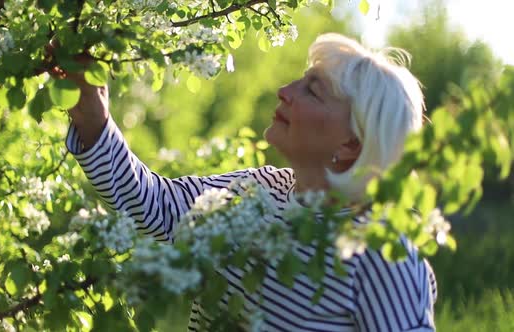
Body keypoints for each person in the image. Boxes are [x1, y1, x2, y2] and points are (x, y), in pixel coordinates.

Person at [60, 33, 437, 331]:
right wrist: (94, 122)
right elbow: (156, 207)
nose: (285, 91)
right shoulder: (256, 191)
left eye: (312, 90)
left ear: (351, 143)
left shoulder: (384, 254)